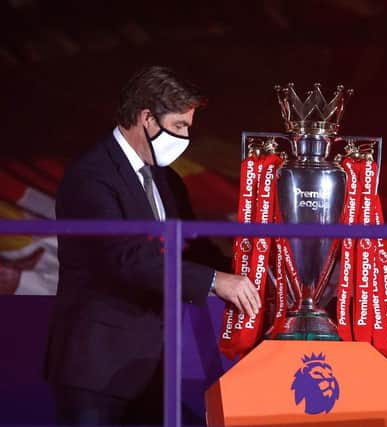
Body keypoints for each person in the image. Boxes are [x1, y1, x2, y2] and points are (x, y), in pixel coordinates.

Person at [44, 65, 261, 426]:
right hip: (96, 370)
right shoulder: (91, 177)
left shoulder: (166, 178)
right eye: (179, 126)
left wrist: (247, 270)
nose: (186, 137)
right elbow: (125, 259)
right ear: (146, 118)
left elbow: (191, 246)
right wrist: (213, 281)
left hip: (151, 368)